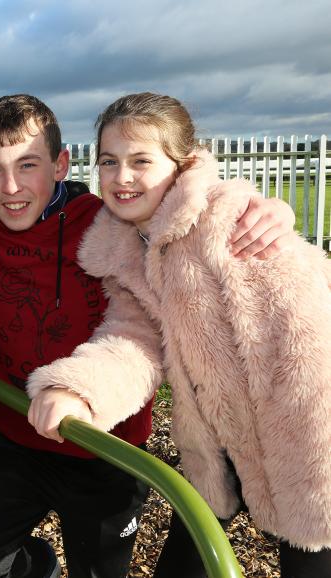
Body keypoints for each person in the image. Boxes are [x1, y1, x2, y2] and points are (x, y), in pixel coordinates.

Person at [0, 94, 298, 578]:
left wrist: (267, 208)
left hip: (106, 446)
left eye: (29, 164)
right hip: (15, 438)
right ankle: (32, 566)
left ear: (61, 163)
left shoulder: (107, 225)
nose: (12, 187)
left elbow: (183, 207)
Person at [25, 92, 331, 578]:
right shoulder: (129, 248)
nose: (121, 177)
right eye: (109, 161)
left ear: (182, 164)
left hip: (309, 449)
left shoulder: (233, 229)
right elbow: (135, 338)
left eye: (141, 160)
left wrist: (306, 476)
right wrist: (77, 389)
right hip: (218, 447)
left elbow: (311, 352)